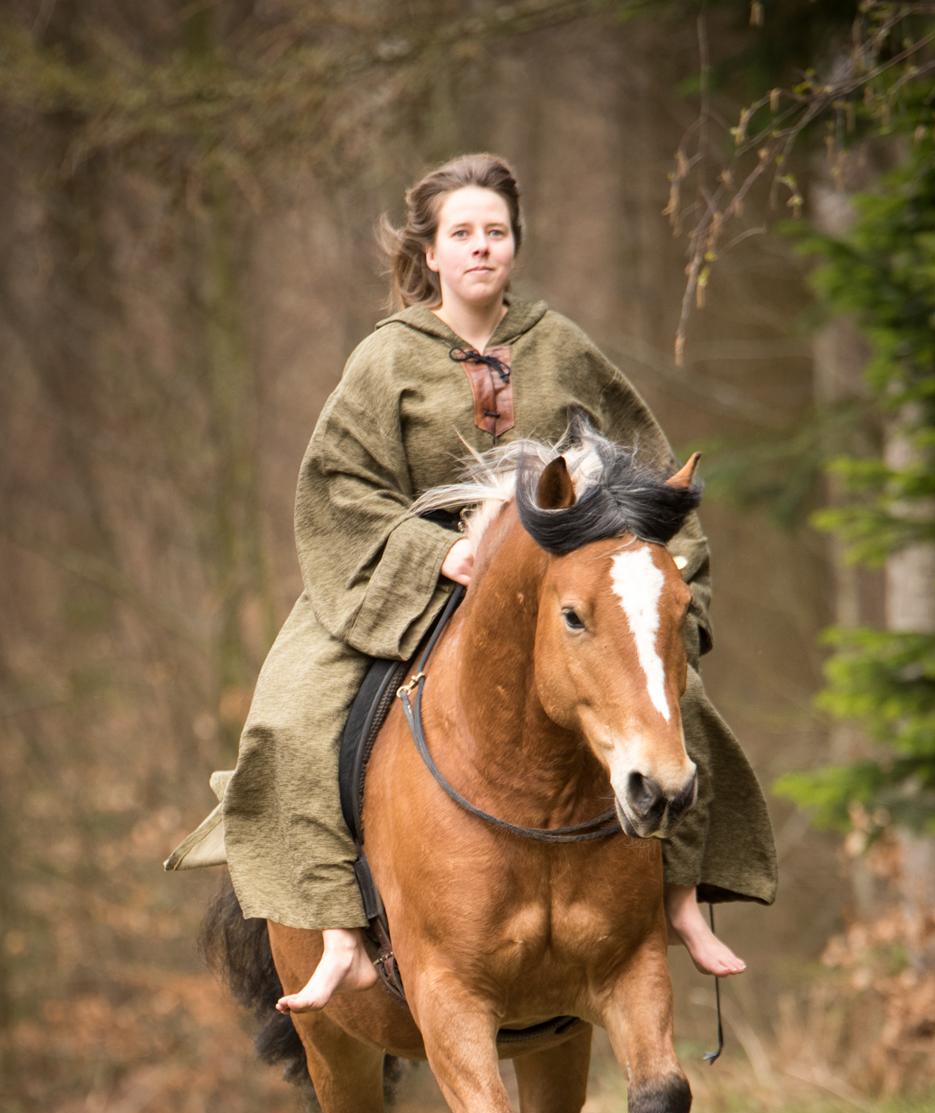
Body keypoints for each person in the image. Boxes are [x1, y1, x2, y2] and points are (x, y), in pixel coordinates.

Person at [165, 153, 776, 1012]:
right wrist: (429, 553)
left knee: (680, 705)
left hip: (565, 595)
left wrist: (672, 605)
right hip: (406, 588)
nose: (481, 248)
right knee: (291, 714)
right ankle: (336, 931)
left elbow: (647, 477)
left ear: (515, 246)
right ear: (431, 252)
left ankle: (679, 902)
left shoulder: (562, 347)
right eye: (463, 234)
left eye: (496, 232)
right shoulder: (385, 361)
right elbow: (339, 489)